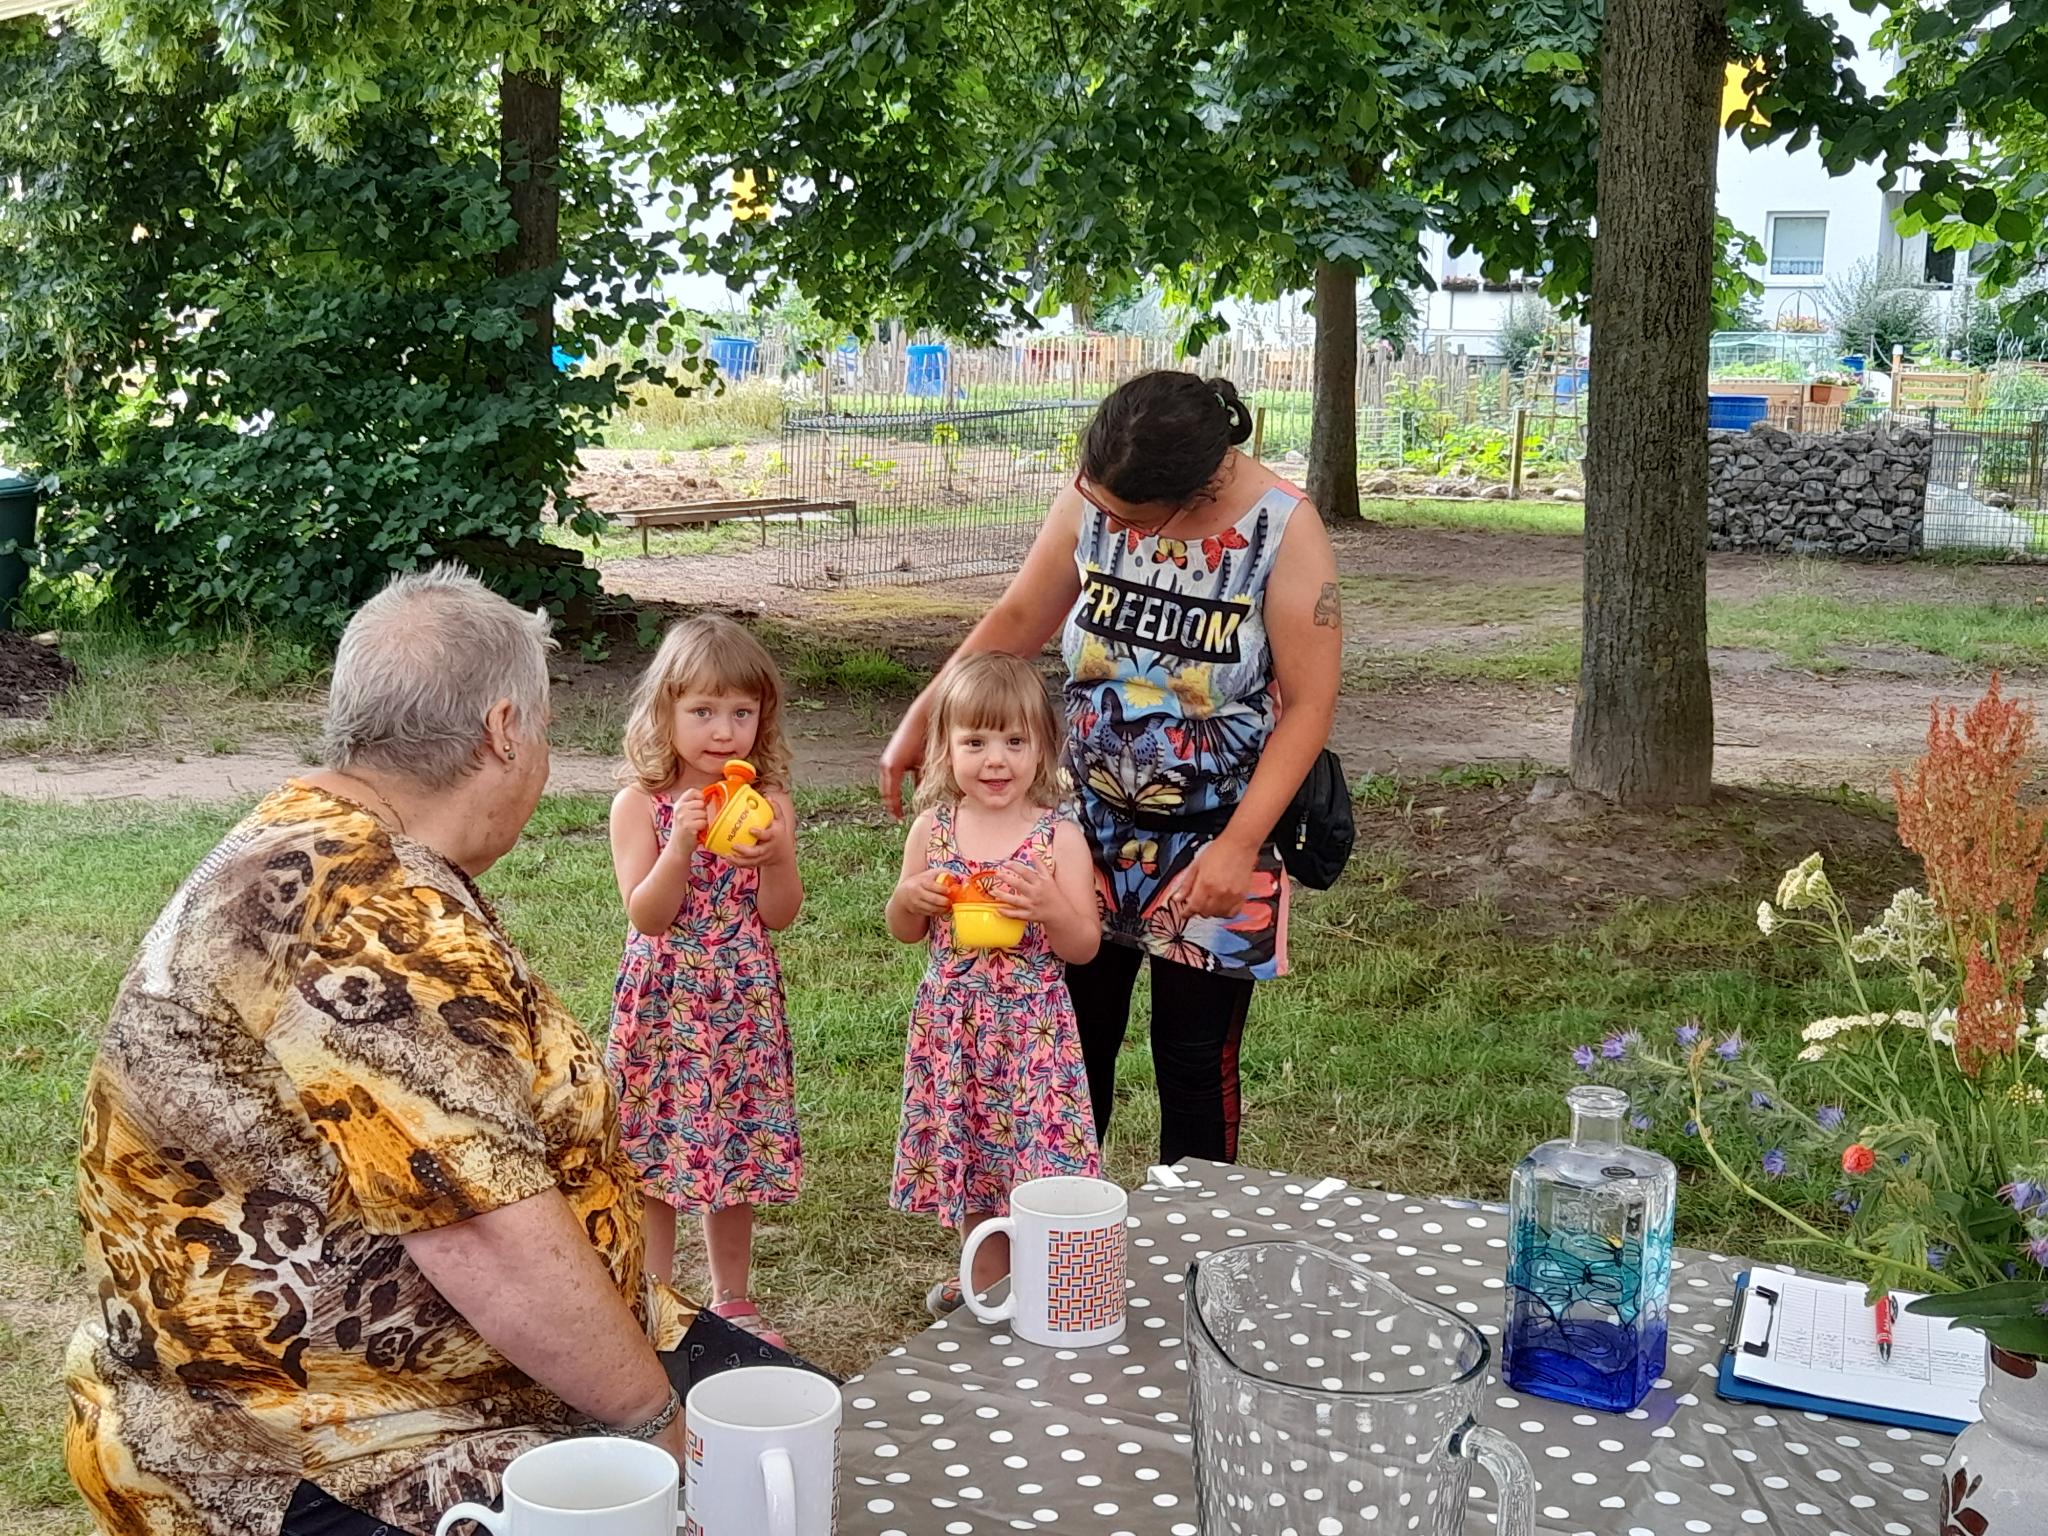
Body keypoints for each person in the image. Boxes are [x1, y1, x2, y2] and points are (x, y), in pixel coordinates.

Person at [66, 568, 792, 1536]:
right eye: (543, 731)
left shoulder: (310, 833)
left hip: (406, 1364)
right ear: (503, 730)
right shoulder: (380, 918)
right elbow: (484, 1238)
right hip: (315, 1436)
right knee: (778, 1487)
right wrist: (657, 1430)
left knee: (802, 1428)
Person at [880, 371, 1342, 1167]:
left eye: (1129, 519)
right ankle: (1058, 1229)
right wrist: (922, 721)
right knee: (1070, 1043)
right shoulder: (1098, 491)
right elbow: (1020, 615)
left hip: (1215, 837)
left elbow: (1308, 705)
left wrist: (1239, 846)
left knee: (1192, 1062)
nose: (1108, 524)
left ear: (1192, 493)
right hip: (1081, 829)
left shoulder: (1285, 530)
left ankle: (1193, 1234)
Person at [884, 652, 1103, 1315]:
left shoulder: (1058, 838)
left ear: (1042, 748)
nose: (996, 760)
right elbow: (904, 929)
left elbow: (1084, 945)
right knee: (973, 1158)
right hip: (957, 1028)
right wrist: (910, 897)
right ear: (945, 749)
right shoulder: (934, 830)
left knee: (1037, 1162)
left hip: (1033, 1033)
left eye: (1014, 741)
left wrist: (1051, 907)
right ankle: (985, 1282)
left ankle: (1041, 1281)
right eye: (975, 742)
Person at [608, 615, 804, 1348]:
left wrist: (777, 857)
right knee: (655, 1151)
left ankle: (732, 1299)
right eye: (702, 711)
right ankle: (654, 1298)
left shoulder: (767, 803)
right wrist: (681, 844)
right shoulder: (640, 804)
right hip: (664, 1002)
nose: (723, 731)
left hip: (739, 1001)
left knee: (736, 1148)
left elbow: (779, 914)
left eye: (741, 713)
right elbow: (647, 914)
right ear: (665, 711)